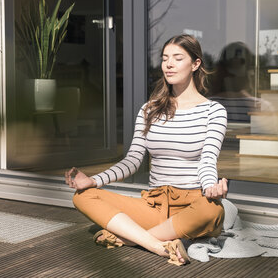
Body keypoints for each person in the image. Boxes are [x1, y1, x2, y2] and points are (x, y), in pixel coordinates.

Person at [65, 34, 229, 266]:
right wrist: (93, 181)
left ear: (195, 64)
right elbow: (132, 160)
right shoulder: (149, 109)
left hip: (192, 203)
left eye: (177, 58)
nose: (169, 64)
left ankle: (130, 237)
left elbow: (208, 160)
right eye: (164, 59)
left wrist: (211, 187)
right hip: (154, 204)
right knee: (83, 196)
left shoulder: (214, 111)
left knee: (213, 211)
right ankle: (157, 244)